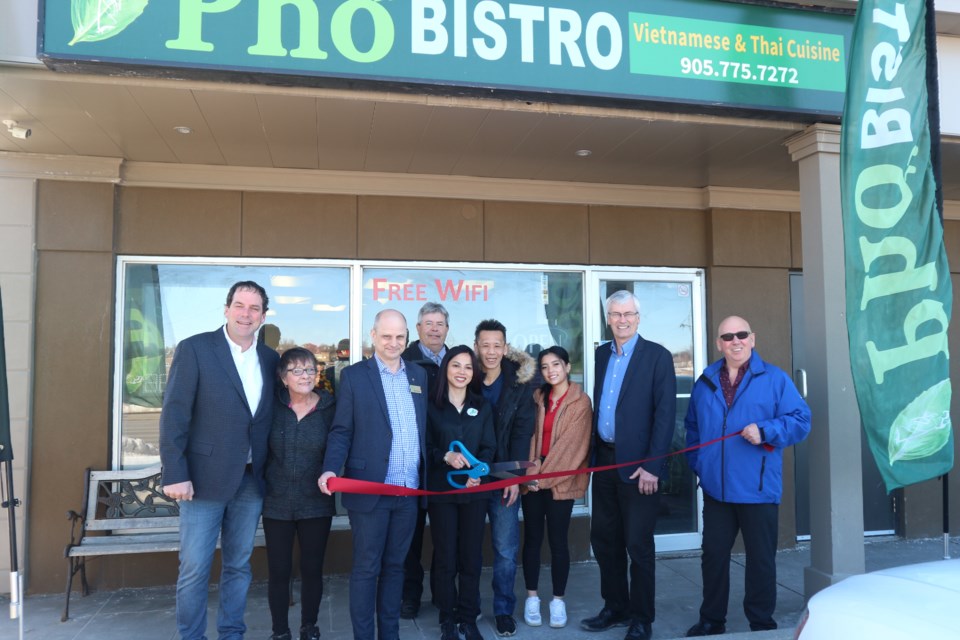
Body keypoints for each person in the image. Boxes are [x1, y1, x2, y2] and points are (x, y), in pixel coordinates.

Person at [159, 280, 279, 640]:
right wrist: (175, 472)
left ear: (263, 315)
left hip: (250, 480)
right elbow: (174, 415)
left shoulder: (270, 359)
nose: (246, 314)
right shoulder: (196, 349)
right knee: (194, 568)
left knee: (239, 565)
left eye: (254, 308)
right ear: (226, 309)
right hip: (202, 480)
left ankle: (231, 633)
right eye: (240, 306)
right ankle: (191, 636)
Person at [684, 316, 811, 636]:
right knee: (712, 557)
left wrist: (767, 430)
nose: (735, 341)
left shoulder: (774, 379)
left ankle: (761, 624)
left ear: (752, 339)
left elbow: (801, 420)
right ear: (719, 344)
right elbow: (692, 428)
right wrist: (700, 464)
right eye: (728, 336)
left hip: (757, 489)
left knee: (761, 562)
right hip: (716, 491)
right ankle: (712, 620)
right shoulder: (706, 380)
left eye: (741, 334)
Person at [318, 309, 428, 640]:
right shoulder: (354, 376)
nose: (393, 343)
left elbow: (425, 430)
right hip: (370, 492)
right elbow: (341, 430)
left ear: (407, 336)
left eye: (400, 336)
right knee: (368, 569)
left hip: (409, 492)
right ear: (373, 336)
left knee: (396, 567)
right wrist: (329, 468)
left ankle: (389, 635)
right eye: (386, 336)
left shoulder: (419, 376)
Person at [581, 290, 677, 640]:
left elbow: (665, 416)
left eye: (629, 314)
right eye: (616, 314)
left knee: (638, 545)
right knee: (605, 540)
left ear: (638, 317)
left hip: (639, 468)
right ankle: (615, 607)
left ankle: (641, 618)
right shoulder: (601, 355)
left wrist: (653, 466)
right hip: (605, 461)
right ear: (608, 318)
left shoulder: (658, 356)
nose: (622, 320)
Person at [263, 347, 336, 640]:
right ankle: (280, 631)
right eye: (296, 370)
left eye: (310, 369)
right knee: (279, 571)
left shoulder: (330, 408)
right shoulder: (271, 406)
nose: (305, 375)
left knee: (312, 568)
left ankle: (310, 626)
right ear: (283, 377)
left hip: (316, 502)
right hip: (276, 502)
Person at [426, 345, 497, 640]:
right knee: (445, 557)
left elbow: (489, 447)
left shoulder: (482, 405)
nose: (462, 372)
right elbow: (425, 447)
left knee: (470, 556)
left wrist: (477, 474)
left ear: (474, 373)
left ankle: (468, 618)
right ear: (446, 369)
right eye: (456, 365)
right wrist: (445, 456)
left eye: (468, 367)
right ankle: (447, 617)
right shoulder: (431, 405)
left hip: (474, 492)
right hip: (442, 492)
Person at [520, 346, 592, 630]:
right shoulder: (537, 398)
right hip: (533, 482)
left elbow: (572, 449)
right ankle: (532, 598)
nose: (551, 371)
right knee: (533, 540)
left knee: (559, 542)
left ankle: (558, 601)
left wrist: (541, 477)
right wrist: (530, 471)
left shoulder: (580, 402)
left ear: (567, 366)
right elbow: (530, 437)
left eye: (556, 365)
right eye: (546, 367)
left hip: (559, 483)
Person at [474, 319, 536, 637]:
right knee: (466, 548)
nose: (491, 351)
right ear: (476, 346)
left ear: (505, 347)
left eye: (497, 345)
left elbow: (523, 431)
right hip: (470, 476)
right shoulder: (466, 376)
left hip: (503, 478)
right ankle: (466, 608)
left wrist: (514, 476)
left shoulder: (518, 384)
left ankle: (502, 610)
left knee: (506, 549)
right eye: (485, 344)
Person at [399, 301, 451, 618]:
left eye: (439, 323)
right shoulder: (402, 361)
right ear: (417, 329)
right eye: (428, 323)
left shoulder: (459, 361)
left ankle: (445, 594)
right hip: (412, 462)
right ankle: (410, 594)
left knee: (446, 534)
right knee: (411, 536)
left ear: (447, 328)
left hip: (448, 460)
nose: (434, 329)